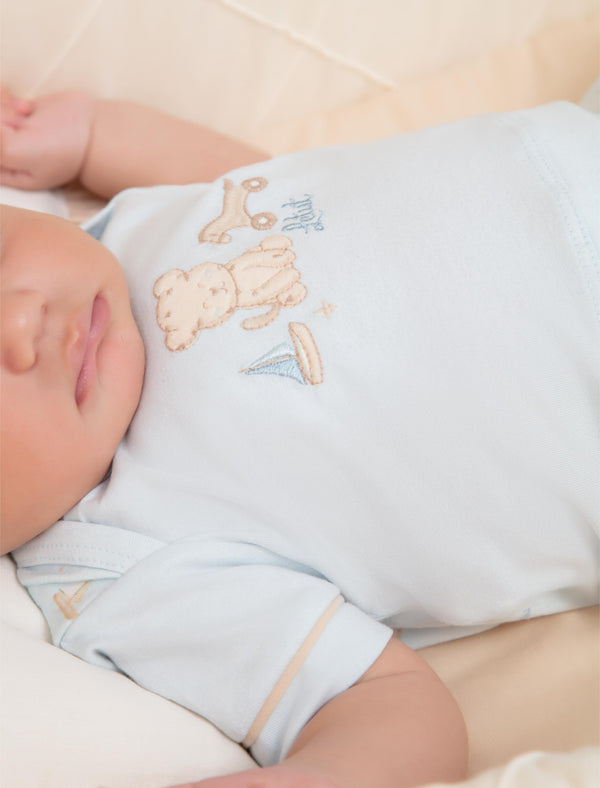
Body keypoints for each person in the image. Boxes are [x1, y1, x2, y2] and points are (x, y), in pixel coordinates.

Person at [1, 86, 598, 788]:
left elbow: (256, 186)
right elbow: (383, 701)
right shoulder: (122, 565)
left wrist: (95, 134)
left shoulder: (111, 238)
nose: (21, 320)